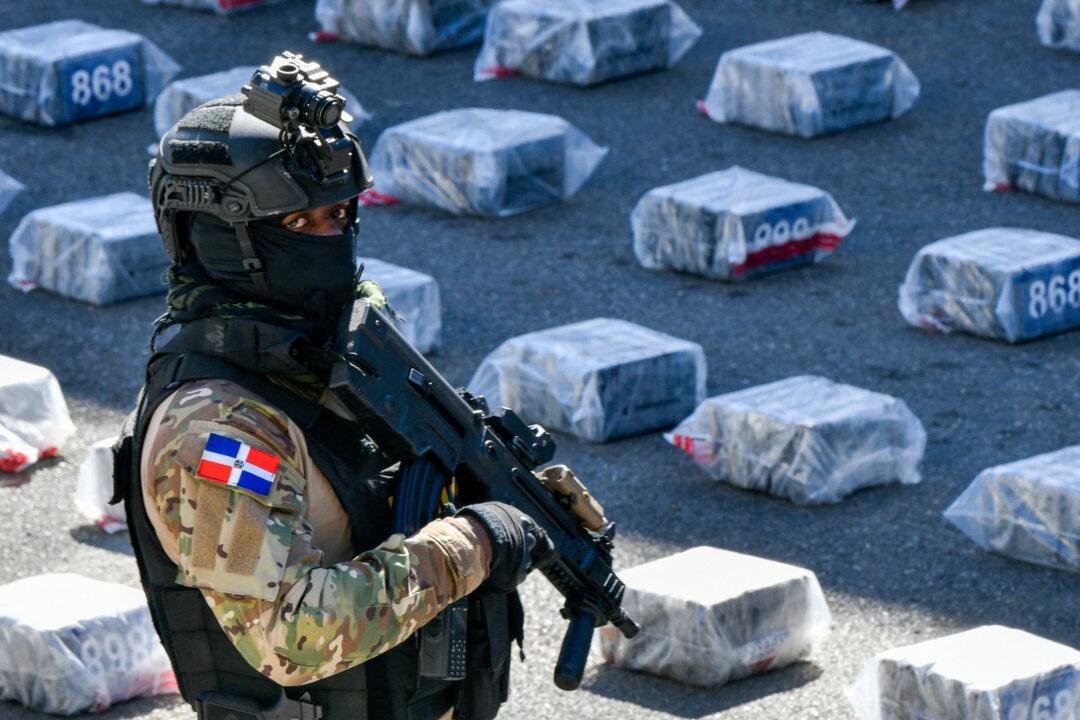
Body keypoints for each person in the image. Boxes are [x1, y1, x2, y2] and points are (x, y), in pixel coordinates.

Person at [113, 55, 558, 720]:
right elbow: (292, 633)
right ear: (218, 237)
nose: (333, 241)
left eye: (341, 215)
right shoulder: (216, 433)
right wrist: (476, 544)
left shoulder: (324, 348)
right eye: (301, 224)